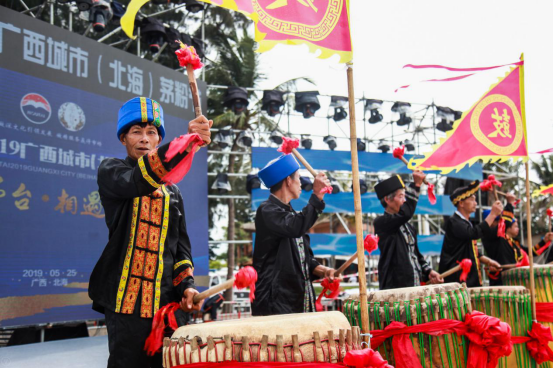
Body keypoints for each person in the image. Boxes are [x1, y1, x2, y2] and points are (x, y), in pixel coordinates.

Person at [88, 97, 212, 368]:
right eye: (136, 132)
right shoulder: (111, 171)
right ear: (123, 139)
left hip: (166, 305)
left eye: (151, 133)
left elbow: (180, 248)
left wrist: (187, 287)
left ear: (158, 140)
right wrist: (185, 144)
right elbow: (138, 180)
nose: (144, 139)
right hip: (125, 303)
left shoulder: (173, 192)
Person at [252, 154, 338, 316]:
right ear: (288, 180)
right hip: (275, 302)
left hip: (299, 298)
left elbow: (302, 258)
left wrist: (321, 269)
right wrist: (317, 196)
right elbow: (295, 227)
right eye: (298, 178)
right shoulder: (267, 210)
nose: (301, 184)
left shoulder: (292, 215)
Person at [374, 173, 443, 290]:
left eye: (405, 196)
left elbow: (415, 254)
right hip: (395, 289)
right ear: (387, 200)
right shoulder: (382, 223)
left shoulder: (409, 227)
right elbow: (406, 213)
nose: (404, 201)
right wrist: (416, 185)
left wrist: (428, 271)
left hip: (414, 287)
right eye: (401, 196)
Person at [439, 181, 503, 287]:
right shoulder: (454, 221)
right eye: (472, 199)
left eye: (475, 200)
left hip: (468, 278)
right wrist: (492, 214)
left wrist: (488, 261)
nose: (476, 203)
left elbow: (472, 250)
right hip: (457, 279)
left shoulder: (465, 222)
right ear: (461, 203)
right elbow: (473, 234)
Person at [482, 194, 553, 285]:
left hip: (514, 280)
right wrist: (510, 203)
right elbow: (506, 221)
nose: (500, 222)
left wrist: (544, 241)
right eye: (497, 220)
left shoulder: (512, 241)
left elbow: (530, 253)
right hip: (501, 281)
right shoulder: (489, 234)